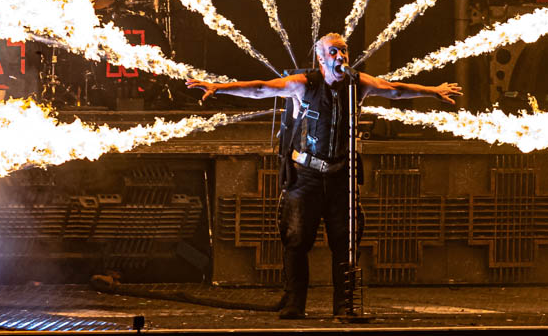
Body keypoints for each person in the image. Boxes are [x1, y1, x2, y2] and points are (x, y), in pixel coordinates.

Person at [187, 33, 462, 319]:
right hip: (305, 175)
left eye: (343, 51)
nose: (339, 57)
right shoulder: (303, 85)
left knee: (345, 241)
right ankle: (295, 303)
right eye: (332, 52)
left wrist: (433, 90)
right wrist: (219, 88)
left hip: (341, 175)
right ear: (320, 58)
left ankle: (344, 306)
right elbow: (260, 89)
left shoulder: (357, 84)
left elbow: (393, 90)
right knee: (296, 240)